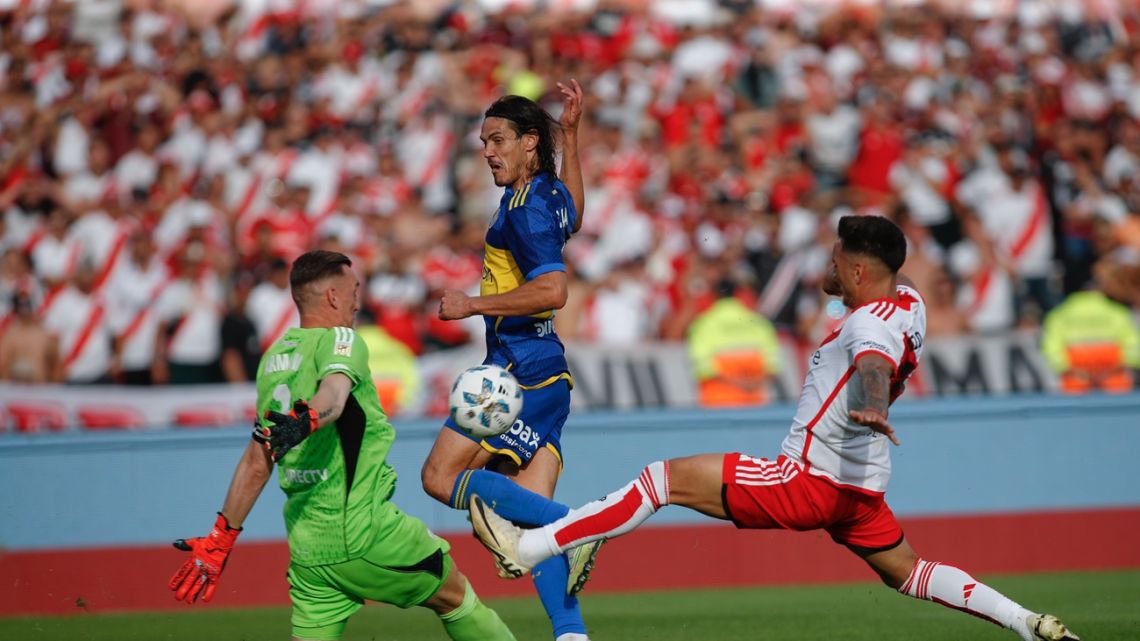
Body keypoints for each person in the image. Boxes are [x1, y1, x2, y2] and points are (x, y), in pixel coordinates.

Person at [468, 216, 1081, 641]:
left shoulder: (869, 326)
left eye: (837, 259)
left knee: (661, 480)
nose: (829, 265)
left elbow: (872, 361)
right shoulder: (909, 302)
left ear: (861, 273)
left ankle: (534, 548)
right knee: (910, 572)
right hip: (861, 489)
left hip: (808, 479)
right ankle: (1026, 622)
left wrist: (871, 402)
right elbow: (885, 340)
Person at [169, 250, 516, 641]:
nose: (358, 300)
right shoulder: (343, 339)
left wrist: (221, 539)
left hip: (308, 550)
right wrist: (312, 418)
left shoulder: (275, 358)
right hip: (365, 531)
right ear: (333, 297)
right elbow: (334, 394)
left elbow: (256, 459)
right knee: (456, 598)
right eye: (353, 290)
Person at [421, 80, 598, 641]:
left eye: (497, 140)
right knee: (527, 535)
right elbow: (577, 212)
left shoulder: (523, 211)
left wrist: (472, 303)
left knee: (439, 477)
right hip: (550, 374)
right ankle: (571, 635)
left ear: (528, 143)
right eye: (483, 142)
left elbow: (553, 291)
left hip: (515, 371)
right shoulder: (544, 193)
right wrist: (570, 133)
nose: (488, 152)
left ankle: (577, 526)